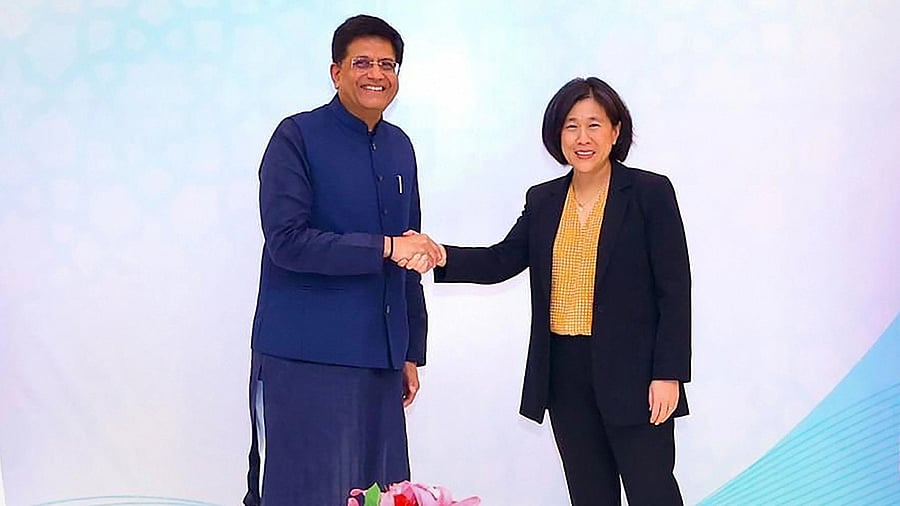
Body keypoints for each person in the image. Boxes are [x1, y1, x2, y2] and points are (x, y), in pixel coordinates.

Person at [424, 77, 691, 505]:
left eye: (594, 125)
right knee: (589, 495)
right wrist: (439, 255)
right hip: (565, 373)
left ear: (616, 131)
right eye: (571, 126)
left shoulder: (649, 193)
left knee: (652, 492)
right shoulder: (545, 199)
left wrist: (668, 373)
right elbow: (501, 259)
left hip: (636, 374)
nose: (582, 138)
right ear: (557, 134)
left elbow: (675, 290)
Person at [243, 14, 443, 506]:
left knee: (383, 495)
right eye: (362, 63)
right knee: (305, 493)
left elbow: (410, 254)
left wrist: (410, 349)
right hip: (306, 357)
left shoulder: (400, 148)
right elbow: (287, 241)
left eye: (388, 64)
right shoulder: (297, 137)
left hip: (380, 358)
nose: (376, 74)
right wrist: (385, 246)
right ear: (336, 72)